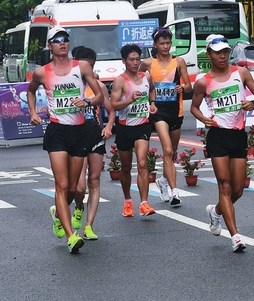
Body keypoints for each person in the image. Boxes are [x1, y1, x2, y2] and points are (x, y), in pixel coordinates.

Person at [28, 27, 104, 254]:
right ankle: (71, 236)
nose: (62, 43)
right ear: (50, 46)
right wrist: (33, 112)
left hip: (79, 131)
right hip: (57, 132)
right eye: (57, 40)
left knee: (73, 187)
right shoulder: (42, 72)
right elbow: (31, 91)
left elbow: (99, 94)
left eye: (65, 40)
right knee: (61, 185)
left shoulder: (82, 67)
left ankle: (58, 214)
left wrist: (88, 103)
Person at [191, 34, 254, 253]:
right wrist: (203, 118)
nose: (222, 56)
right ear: (209, 55)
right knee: (224, 184)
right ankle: (235, 236)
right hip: (217, 136)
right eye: (217, 53)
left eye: (225, 52)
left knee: (238, 190)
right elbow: (195, 106)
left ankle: (216, 211)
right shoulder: (203, 81)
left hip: (238, 135)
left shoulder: (240, 73)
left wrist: (252, 103)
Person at [140, 27, 191, 206]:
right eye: (162, 43)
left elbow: (189, 86)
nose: (166, 46)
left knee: (173, 152)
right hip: (158, 111)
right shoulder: (148, 63)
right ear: (155, 45)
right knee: (167, 150)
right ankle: (175, 192)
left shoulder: (179, 62)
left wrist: (182, 88)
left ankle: (162, 180)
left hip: (175, 111)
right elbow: (134, 75)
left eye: (168, 43)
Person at [70, 46, 115, 240]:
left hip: (95, 136)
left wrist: (108, 127)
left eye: (92, 66)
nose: (88, 70)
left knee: (94, 181)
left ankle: (89, 225)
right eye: (85, 66)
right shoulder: (68, 85)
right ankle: (79, 206)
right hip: (76, 136)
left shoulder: (99, 86)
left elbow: (110, 110)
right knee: (79, 187)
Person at [110, 44, 157, 218]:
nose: (136, 62)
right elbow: (113, 104)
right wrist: (129, 100)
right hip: (124, 127)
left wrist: (152, 104)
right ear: (124, 61)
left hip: (143, 125)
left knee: (143, 163)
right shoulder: (120, 81)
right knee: (126, 167)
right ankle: (128, 200)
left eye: (138, 59)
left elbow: (152, 89)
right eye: (132, 59)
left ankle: (144, 203)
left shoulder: (146, 76)